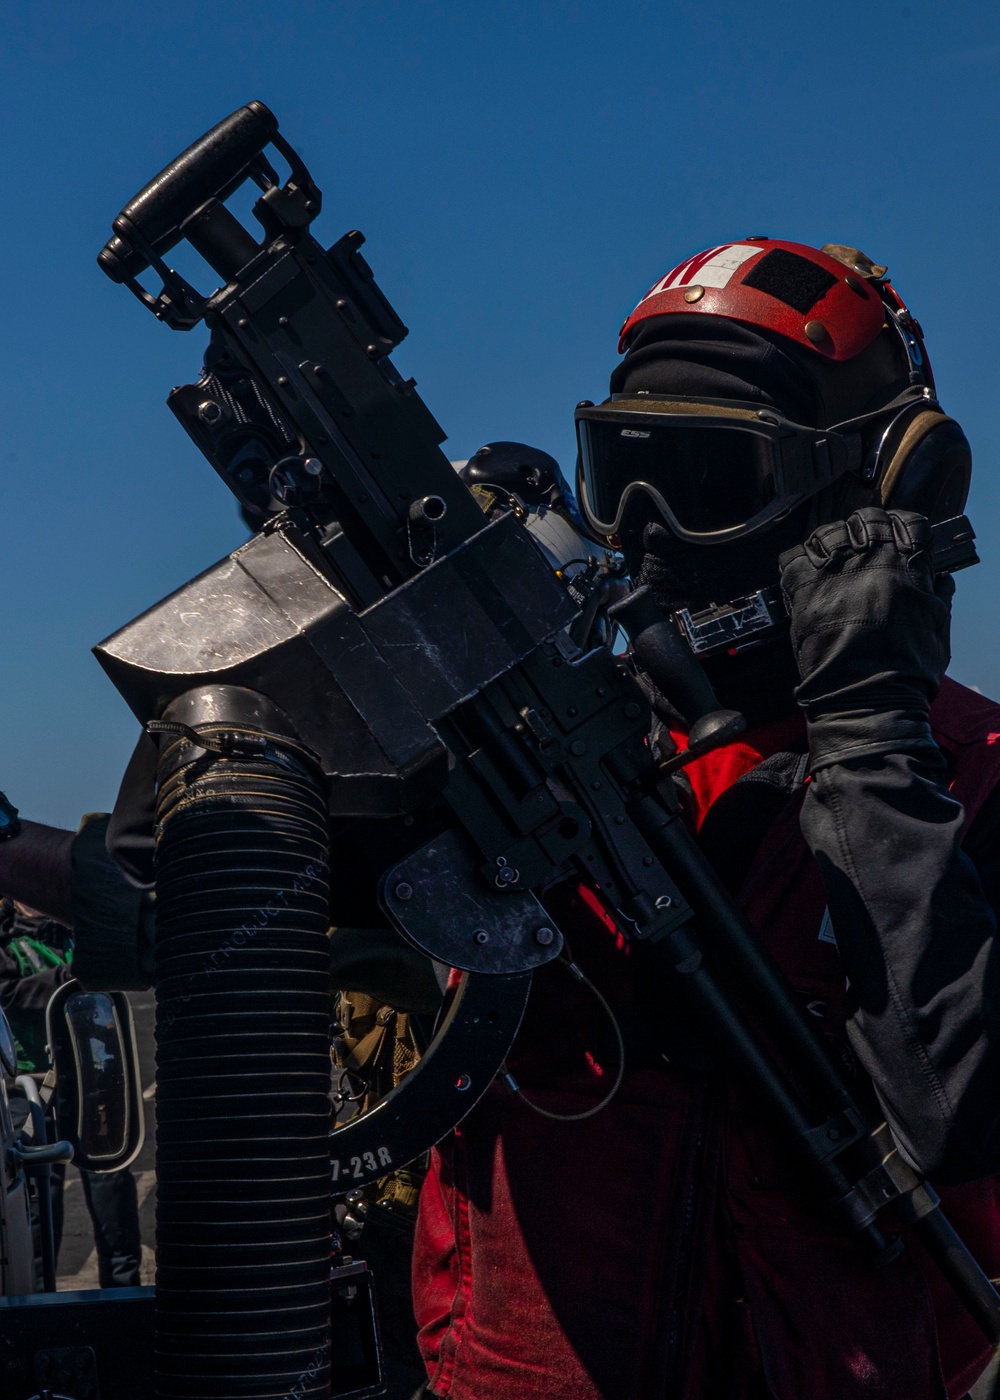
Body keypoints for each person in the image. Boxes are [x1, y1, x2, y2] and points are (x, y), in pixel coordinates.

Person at [408, 241, 1000, 1399]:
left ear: (880, 490)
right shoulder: (537, 755)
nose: (645, 528)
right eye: (620, 469)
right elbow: (166, 896)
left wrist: (869, 733)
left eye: (704, 474)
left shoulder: (974, 774)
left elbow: (949, 1113)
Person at [1, 895, 144, 1289]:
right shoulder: (6, 939)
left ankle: (123, 1297)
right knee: (34, 1204)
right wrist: (68, 977)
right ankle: (36, 1304)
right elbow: (9, 995)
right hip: (29, 1091)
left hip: (91, 1085)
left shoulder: (76, 933)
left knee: (112, 1190)